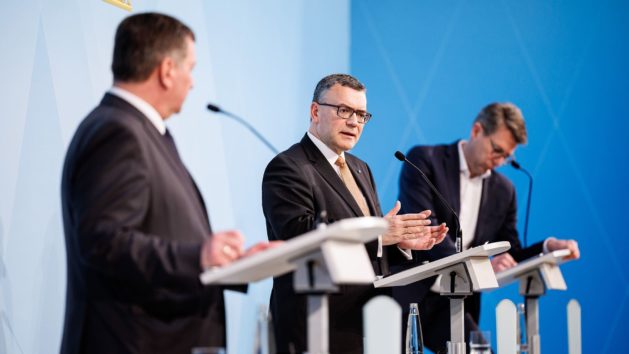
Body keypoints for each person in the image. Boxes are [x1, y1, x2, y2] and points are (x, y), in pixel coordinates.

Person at [60, 13, 276, 354]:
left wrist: (233, 265)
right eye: (190, 68)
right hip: (133, 342)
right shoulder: (118, 133)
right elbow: (103, 243)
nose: (192, 82)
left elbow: (158, 239)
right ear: (166, 70)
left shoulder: (140, 131)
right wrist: (199, 256)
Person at [261, 73, 448, 354]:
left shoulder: (361, 168)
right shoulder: (288, 167)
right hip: (316, 324)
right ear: (315, 111)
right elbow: (299, 237)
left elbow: (371, 249)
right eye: (344, 110)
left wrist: (399, 244)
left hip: (368, 324)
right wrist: (378, 235)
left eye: (361, 115)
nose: (354, 122)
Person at [394, 102, 580, 353]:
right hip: (407, 296)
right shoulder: (425, 160)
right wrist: (476, 267)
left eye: (507, 156)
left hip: (454, 301)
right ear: (477, 130)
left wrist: (548, 248)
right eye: (497, 150)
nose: (500, 161)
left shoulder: (504, 191)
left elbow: (510, 252)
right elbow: (427, 231)